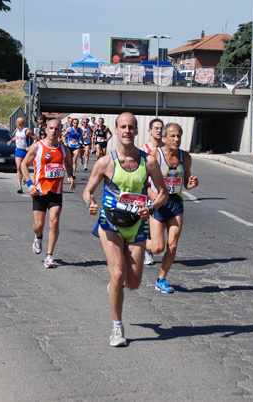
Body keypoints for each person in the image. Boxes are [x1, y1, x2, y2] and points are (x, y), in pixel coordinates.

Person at [82, 112, 168, 347]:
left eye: (131, 127)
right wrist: (90, 203)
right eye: (123, 126)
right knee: (118, 273)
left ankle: (114, 286)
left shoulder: (148, 161)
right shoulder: (105, 162)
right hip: (109, 224)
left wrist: (150, 208)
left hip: (137, 225)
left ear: (136, 131)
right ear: (116, 130)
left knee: (133, 283)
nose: (127, 130)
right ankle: (117, 328)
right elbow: (87, 190)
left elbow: (163, 193)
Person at [147, 123, 198, 293]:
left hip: (176, 204)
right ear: (164, 138)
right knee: (157, 248)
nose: (176, 139)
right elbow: (141, 180)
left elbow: (186, 182)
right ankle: (135, 242)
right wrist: (150, 193)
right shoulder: (155, 156)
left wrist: (191, 184)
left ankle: (161, 278)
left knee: (173, 245)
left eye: (179, 136)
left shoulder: (186, 157)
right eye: (173, 136)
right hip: (159, 205)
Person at [21, 119, 75, 268]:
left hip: (56, 191)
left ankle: (49, 255)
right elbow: (24, 165)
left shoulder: (64, 149)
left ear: (60, 130)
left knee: (54, 222)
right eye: (51, 128)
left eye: (56, 129)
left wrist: (70, 176)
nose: (53, 131)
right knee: (38, 226)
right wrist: (29, 184)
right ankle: (38, 236)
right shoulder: (37, 147)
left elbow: (69, 165)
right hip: (38, 191)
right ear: (46, 129)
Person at [142, 118, 164, 265]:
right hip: (148, 194)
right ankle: (146, 250)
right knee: (149, 223)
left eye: (161, 128)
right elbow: (140, 176)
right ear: (150, 131)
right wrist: (149, 191)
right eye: (156, 128)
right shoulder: (143, 150)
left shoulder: (166, 149)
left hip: (164, 194)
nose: (159, 130)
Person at [7, 117, 38, 193]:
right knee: (18, 167)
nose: (16, 124)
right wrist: (11, 140)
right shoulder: (17, 130)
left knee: (25, 166)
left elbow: (36, 138)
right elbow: (17, 137)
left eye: (16, 122)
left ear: (19, 123)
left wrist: (30, 147)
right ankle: (19, 186)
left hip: (26, 151)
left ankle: (25, 178)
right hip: (18, 150)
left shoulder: (27, 131)